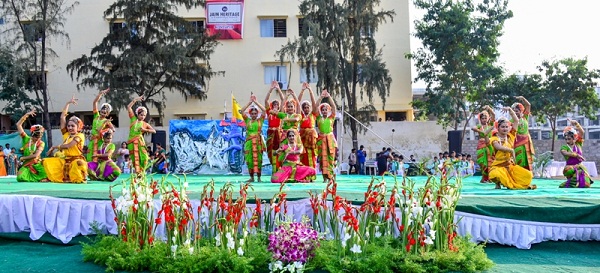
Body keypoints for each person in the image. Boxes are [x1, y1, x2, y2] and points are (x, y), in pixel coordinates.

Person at [487, 107, 535, 190]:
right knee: (496, 174)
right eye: (502, 127)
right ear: (498, 128)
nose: (505, 129)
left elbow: (516, 120)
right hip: (498, 166)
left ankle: (508, 180)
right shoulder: (494, 138)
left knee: (528, 175)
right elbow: (498, 147)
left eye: (506, 127)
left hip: (510, 166)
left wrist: (510, 110)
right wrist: (510, 150)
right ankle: (498, 183)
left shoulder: (511, 136)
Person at [44, 96, 88, 183]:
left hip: (76, 160)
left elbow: (68, 146)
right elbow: (62, 118)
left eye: (73, 126)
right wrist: (68, 103)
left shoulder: (80, 136)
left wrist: (54, 147)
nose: (70, 127)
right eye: (69, 126)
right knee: (46, 161)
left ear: (78, 127)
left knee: (78, 168)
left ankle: (81, 175)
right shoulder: (66, 134)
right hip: (65, 159)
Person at [15, 109, 47, 182]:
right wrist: (27, 114)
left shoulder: (41, 143)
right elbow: (18, 125)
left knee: (45, 177)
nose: (38, 138)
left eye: (39, 136)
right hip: (26, 165)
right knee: (20, 177)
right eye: (36, 136)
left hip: (36, 165)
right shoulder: (26, 139)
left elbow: (36, 155)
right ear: (32, 134)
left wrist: (23, 158)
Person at [127, 96, 157, 173]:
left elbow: (154, 131)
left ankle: (142, 171)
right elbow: (129, 107)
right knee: (135, 159)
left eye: (144, 115)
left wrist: (145, 130)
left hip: (140, 142)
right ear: (137, 114)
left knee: (144, 158)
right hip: (131, 142)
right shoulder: (133, 119)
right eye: (141, 115)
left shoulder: (145, 124)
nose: (143, 117)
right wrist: (136, 100)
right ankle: (138, 174)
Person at [559, 120, 593, 188]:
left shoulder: (578, 144)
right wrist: (576, 155)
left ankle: (574, 182)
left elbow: (582, 132)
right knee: (569, 172)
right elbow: (564, 152)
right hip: (570, 169)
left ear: (574, 138)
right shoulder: (565, 147)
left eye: (569, 138)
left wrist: (576, 124)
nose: (567, 141)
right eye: (566, 139)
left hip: (580, 167)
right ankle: (569, 183)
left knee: (586, 184)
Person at [241, 94, 266, 182]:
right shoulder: (247, 120)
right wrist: (250, 102)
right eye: (252, 113)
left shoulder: (260, 121)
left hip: (258, 142)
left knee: (259, 159)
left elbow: (264, 110)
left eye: (255, 113)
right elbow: (242, 111)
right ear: (250, 114)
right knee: (249, 159)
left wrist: (256, 102)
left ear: (257, 114)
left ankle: (259, 178)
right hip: (249, 143)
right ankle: (252, 177)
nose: (254, 115)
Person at [86, 88, 115, 162]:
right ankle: (90, 170)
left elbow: (113, 129)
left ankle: (98, 171)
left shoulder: (106, 121)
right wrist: (100, 94)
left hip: (100, 140)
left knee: (97, 156)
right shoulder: (96, 116)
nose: (103, 112)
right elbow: (95, 102)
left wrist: (106, 130)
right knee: (89, 156)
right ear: (100, 110)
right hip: (92, 140)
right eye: (102, 110)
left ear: (107, 114)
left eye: (105, 112)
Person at [315, 90, 337, 182]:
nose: (324, 111)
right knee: (322, 158)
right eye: (323, 110)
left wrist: (329, 97)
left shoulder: (331, 117)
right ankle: (324, 177)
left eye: (326, 109)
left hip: (330, 140)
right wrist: (320, 97)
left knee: (330, 158)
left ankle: (330, 176)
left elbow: (334, 107)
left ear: (328, 111)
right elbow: (315, 107)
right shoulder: (318, 118)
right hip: (321, 140)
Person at [471, 105, 496, 182]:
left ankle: (490, 177)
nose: (484, 120)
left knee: (490, 161)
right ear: (480, 119)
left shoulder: (490, 125)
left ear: (488, 118)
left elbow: (494, 115)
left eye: (485, 118)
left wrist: (489, 109)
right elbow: (473, 128)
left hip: (489, 144)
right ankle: (484, 177)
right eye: (482, 118)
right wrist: (481, 132)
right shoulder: (479, 126)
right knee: (482, 161)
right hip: (481, 144)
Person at [265, 80, 285, 172]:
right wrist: (271, 89)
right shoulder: (269, 112)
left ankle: (278, 171)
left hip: (278, 133)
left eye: (277, 104)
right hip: (270, 133)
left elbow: (283, 100)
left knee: (279, 151)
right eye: (274, 104)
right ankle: (274, 170)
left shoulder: (280, 113)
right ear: (272, 106)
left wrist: (278, 89)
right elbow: (266, 100)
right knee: (270, 152)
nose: (276, 106)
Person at [511, 96, 535, 171]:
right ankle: (519, 177)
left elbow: (528, 105)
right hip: (517, 142)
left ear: (521, 111)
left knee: (528, 160)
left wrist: (523, 98)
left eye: (517, 111)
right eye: (513, 111)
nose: (515, 113)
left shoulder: (525, 117)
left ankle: (527, 177)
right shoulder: (511, 121)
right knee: (519, 159)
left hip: (527, 142)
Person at [297, 83, 318, 169]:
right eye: (304, 107)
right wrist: (302, 91)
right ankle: (303, 175)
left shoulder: (313, 115)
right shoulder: (300, 115)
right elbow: (297, 103)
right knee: (302, 155)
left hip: (311, 139)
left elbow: (314, 104)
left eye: (307, 107)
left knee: (311, 155)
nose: (306, 109)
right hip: (302, 138)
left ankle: (311, 174)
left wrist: (310, 91)